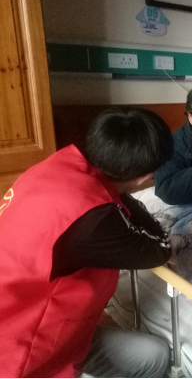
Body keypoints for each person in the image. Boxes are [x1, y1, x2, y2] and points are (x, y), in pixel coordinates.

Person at [0, 108, 175, 377]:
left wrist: (117, 190)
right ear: (144, 176)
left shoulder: (56, 165)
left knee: (154, 354)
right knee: (152, 358)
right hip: (23, 355)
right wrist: (121, 193)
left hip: (26, 317)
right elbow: (160, 248)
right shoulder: (96, 220)